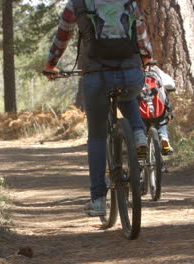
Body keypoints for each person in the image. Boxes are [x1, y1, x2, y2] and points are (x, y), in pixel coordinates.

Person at [42, 0, 153, 216]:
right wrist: (146, 57)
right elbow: (141, 36)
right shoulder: (129, 2)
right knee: (128, 96)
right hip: (130, 73)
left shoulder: (77, 4)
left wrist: (51, 65)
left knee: (97, 136)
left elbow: (62, 37)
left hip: (96, 76)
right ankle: (139, 135)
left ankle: (98, 200)